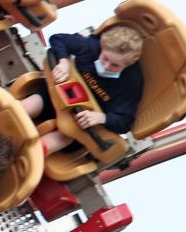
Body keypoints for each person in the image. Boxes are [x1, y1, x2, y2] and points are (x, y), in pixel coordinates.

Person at [17, 25, 144, 154]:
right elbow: (58, 39)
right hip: (58, 97)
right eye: (105, 58)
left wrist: (102, 118)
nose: (106, 66)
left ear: (127, 64)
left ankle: (25, 156)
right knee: (28, 106)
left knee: (64, 136)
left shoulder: (132, 83)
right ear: (102, 47)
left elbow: (124, 122)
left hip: (80, 122)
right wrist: (63, 60)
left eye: (115, 65)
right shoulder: (91, 47)